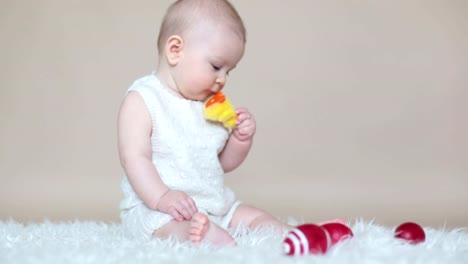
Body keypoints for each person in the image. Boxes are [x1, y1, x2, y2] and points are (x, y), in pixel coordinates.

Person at [118, 0, 338, 246]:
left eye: (228, 71)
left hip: (214, 205)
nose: (222, 79)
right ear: (175, 50)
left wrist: (240, 139)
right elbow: (135, 159)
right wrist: (163, 197)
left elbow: (221, 163)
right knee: (171, 230)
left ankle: (291, 233)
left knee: (253, 216)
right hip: (158, 209)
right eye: (216, 66)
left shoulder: (210, 108)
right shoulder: (144, 99)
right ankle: (203, 236)